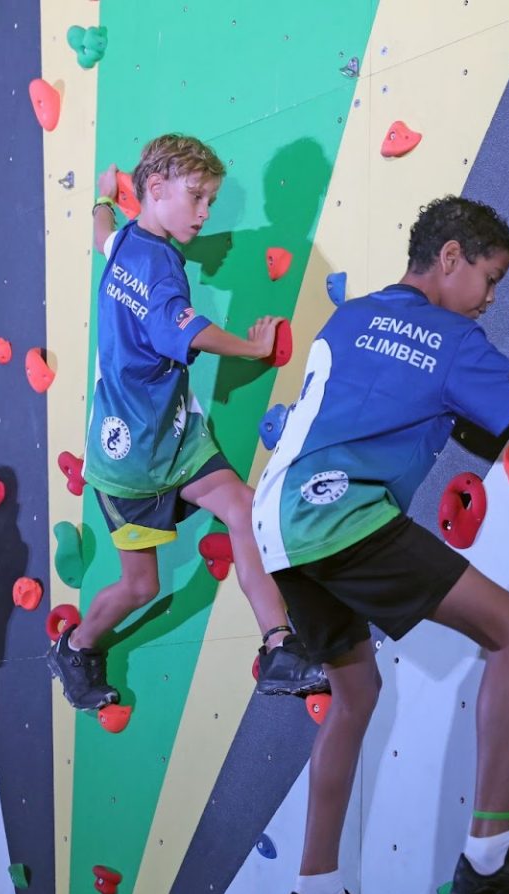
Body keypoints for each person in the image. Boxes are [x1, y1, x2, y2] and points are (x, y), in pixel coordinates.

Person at [251, 196, 509, 894]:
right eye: (488, 278)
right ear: (449, 257)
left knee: (354, 692)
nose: (490, 299)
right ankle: (489, 857)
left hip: (276, 526)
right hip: (342, 516)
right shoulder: (454, 339)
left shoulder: (350, 317)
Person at [48, 133, 327, 709]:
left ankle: (279, 646)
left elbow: (102, 236)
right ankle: (74, 647)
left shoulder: (127, 239)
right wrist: (253, 350)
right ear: (154, 189)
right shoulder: (162, 271)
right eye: (196, 196)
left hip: (178, 440)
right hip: (130, 466)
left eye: (210, 201)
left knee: (243, 508)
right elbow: (189, 330)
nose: (204, 213)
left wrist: (103, 199)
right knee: (141, 585)